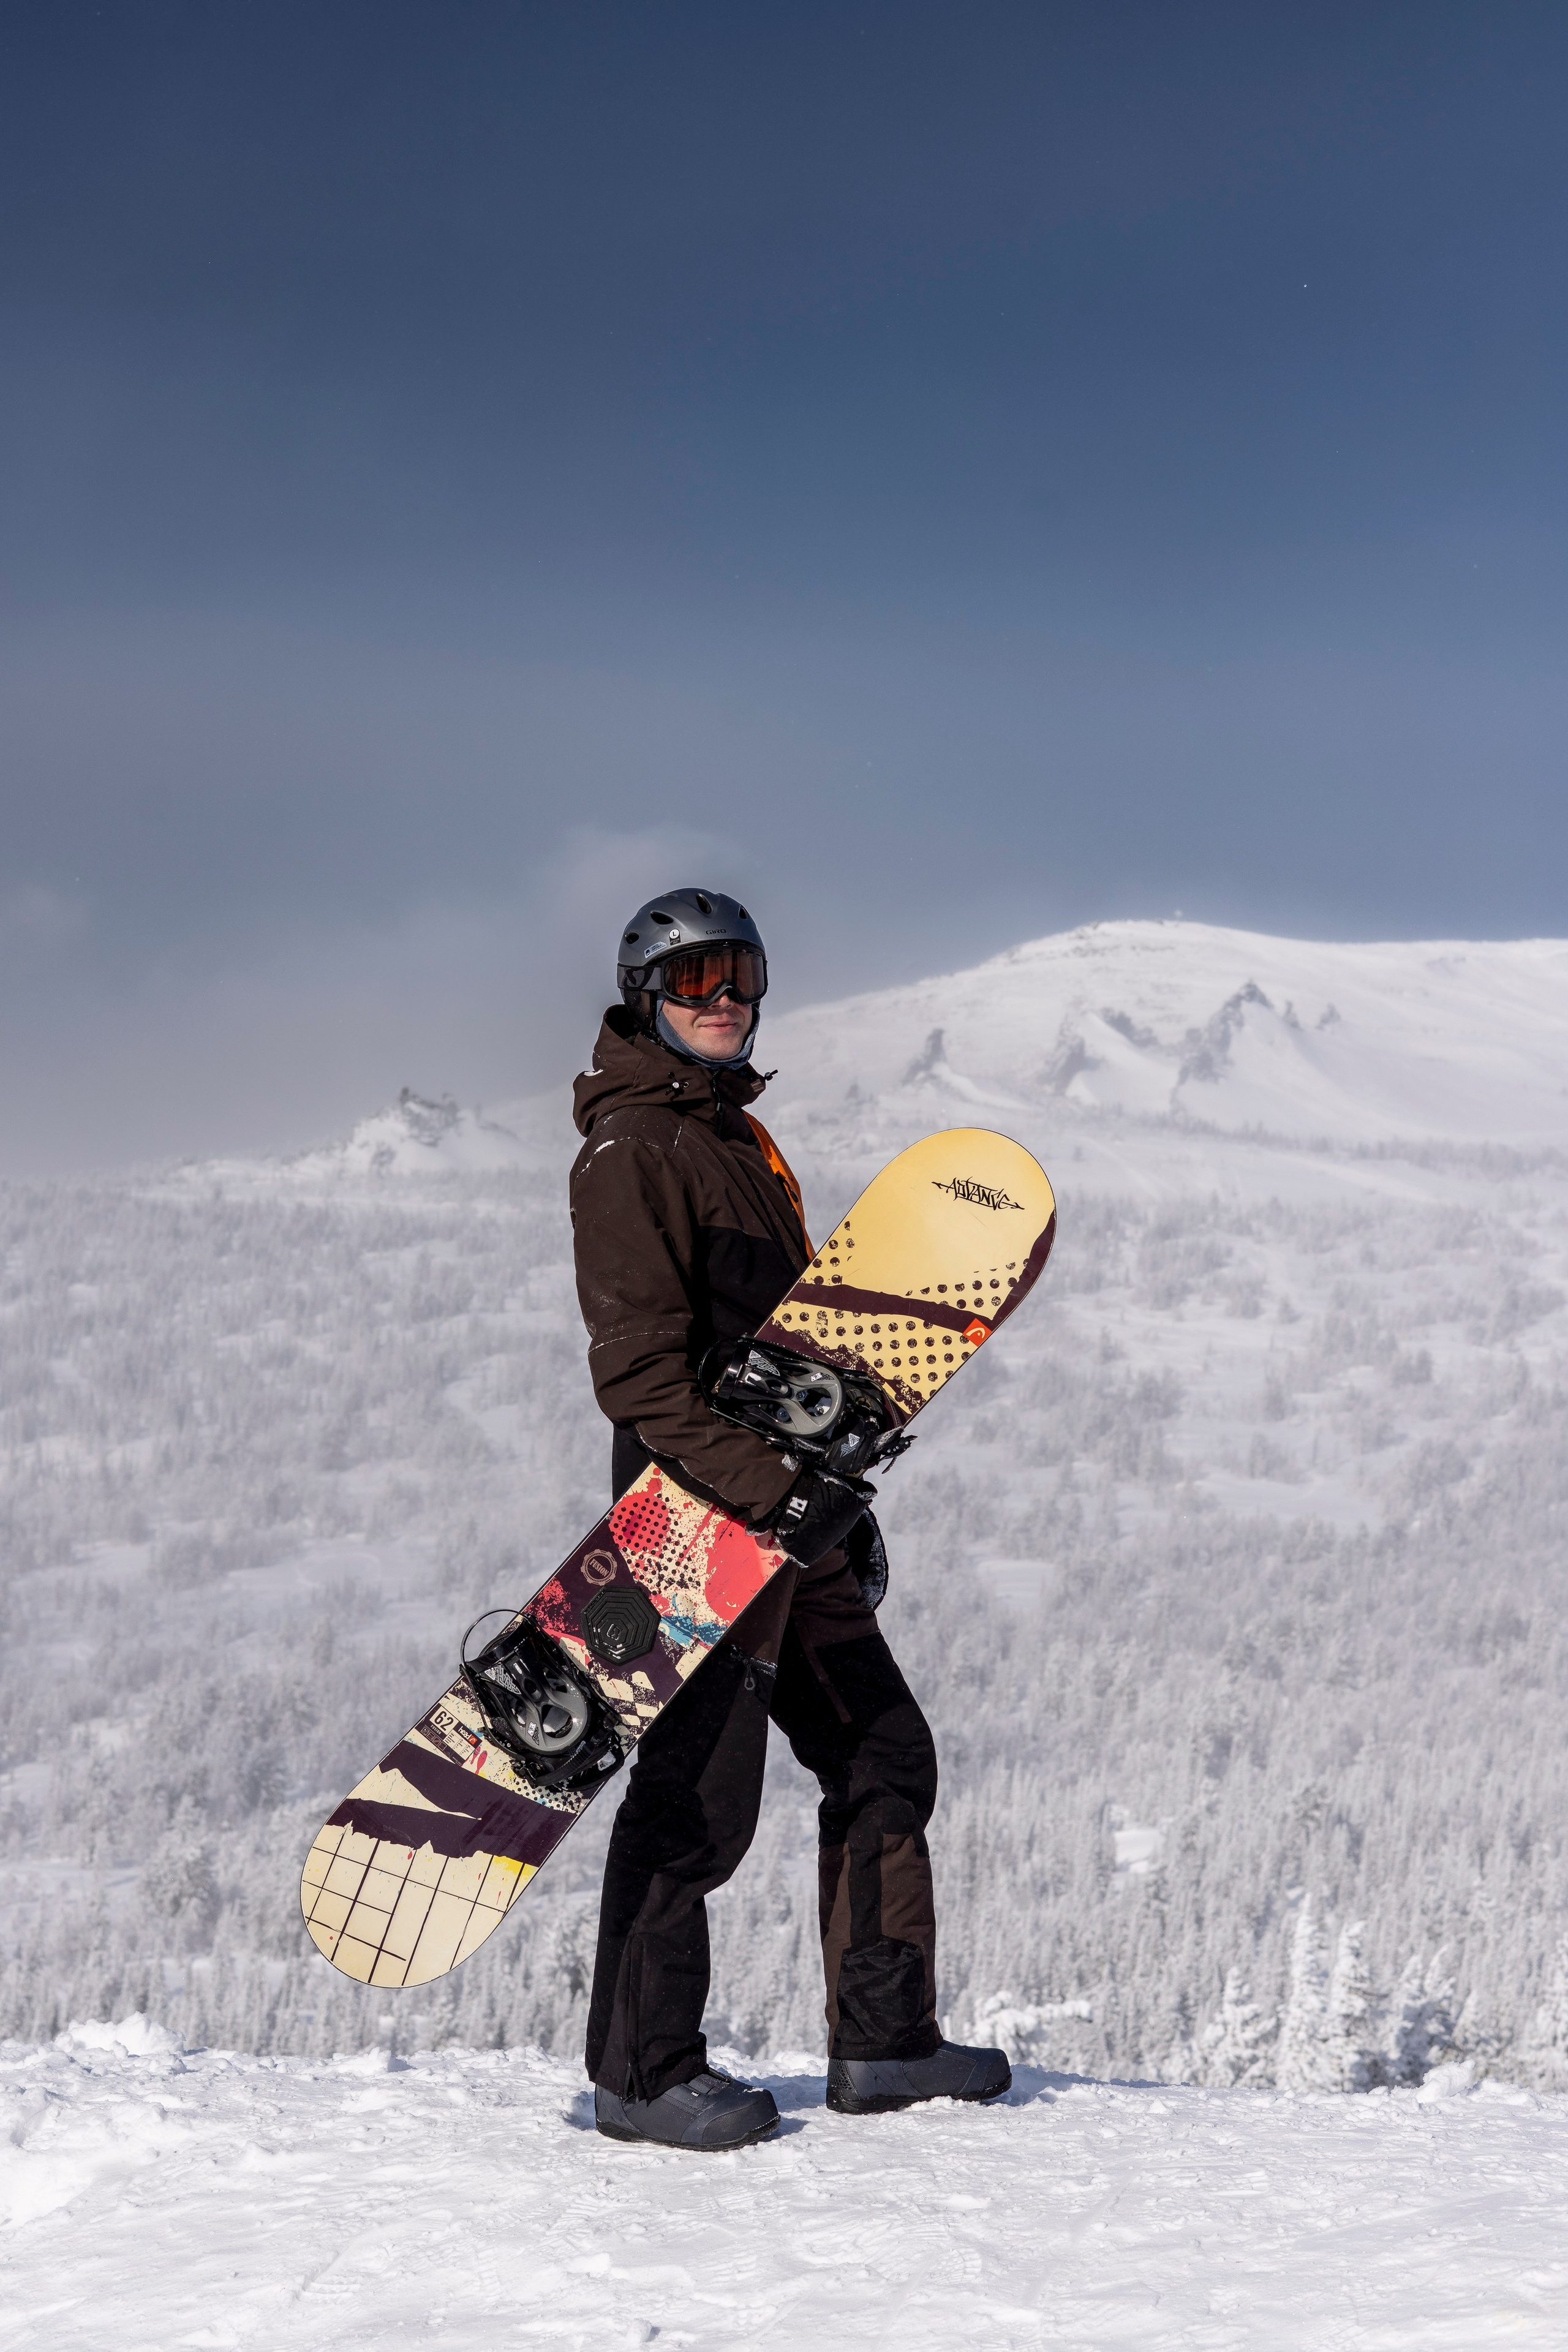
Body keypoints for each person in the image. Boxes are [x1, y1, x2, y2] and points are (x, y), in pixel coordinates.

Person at [569, 886, 1010, 2149]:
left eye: (742, 978)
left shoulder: (732, 1141)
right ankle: (641, 2074)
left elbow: (788, 1361)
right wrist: (781, 1493)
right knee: (696, 1798)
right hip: (695, 1529)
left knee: (883, 1756)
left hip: (789, 1519)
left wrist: (834, 1506)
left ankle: (883, 2045)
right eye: (693, 979)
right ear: (644, 996)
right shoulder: (632, 1152)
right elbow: (644, 1384)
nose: (723, 1000)